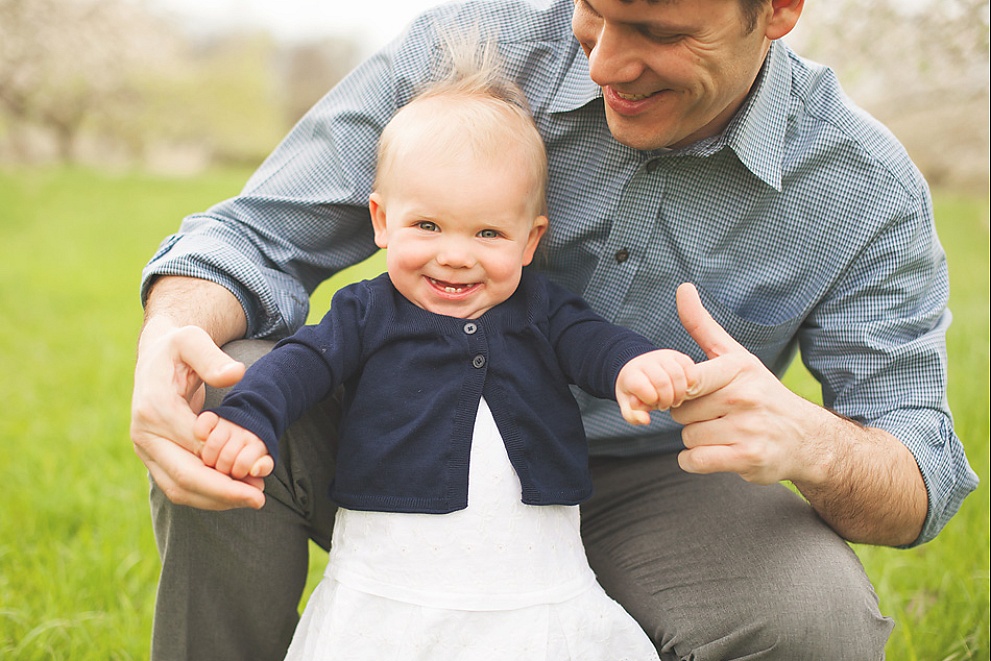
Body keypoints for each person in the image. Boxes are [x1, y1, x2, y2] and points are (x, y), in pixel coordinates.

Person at [132, 0, 979, 659]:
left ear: (779, 11)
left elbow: (919, 466)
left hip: (660, 474)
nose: (604, 60)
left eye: (655, 28)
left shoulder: (860, 192)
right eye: (592, 12)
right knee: (217, 387)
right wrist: (171, 327)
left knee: (815, 622)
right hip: (397, 431)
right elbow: (251, 237)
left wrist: (817, 445)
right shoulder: (478, 47)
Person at [191, 44, 691, 659]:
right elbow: (303, 364)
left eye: (487, 233)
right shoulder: (367, 311)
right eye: (427, 226)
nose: (455, 255)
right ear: (381, 220)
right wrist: (250, 417)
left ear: (531, 239)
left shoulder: (540, 308)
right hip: (391, 574)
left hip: (534, 580)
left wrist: (633, 365)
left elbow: (592, 342)